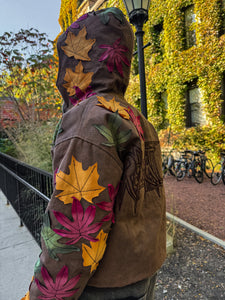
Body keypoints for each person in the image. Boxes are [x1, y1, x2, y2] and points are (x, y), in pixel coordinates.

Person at [22, 7, 166, 300]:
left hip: (104, 288)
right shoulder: (134, 117)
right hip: (142, 272)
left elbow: (73, 230)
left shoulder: (89, 118)